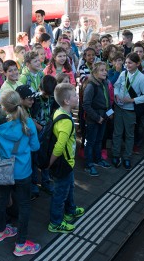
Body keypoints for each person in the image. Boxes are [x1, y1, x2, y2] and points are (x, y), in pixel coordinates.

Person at [0, 90, 41, 256]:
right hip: (23, 170)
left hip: (5, 166)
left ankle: (0, 231)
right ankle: (20, 244)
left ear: (4, 108)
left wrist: (5, 153)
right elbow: (35, 147)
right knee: (24, 205)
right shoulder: (28, 122)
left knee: (2, 198)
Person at [48, 83, 85, 233]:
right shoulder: (66, 122)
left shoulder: (60, 112)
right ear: (67, 101)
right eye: (75, 95)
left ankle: (70, 210)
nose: (77, 97)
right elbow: (59, 146)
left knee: (69, 187)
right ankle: (55, 223)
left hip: (68, 163)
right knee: (60, 194)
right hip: (63, 164)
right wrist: (49, 163)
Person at [112, 53, 144, 170]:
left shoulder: (141, 78)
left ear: (137, 64)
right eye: (126, 62)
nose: (127, 65)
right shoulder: (123, 74)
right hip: (119, 108)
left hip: (130, 111)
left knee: (129, 134)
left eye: (130, 63)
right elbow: (116, 86)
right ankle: (115, 154)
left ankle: (127, 157)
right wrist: (116, 95)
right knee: (117, 133)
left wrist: (132, 100)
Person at [82, 62, 111, 176]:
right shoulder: (91, 85)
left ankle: (98, 159)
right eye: (102, 70)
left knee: (99, 140)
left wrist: (109, 112)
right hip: (94, 118)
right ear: (95, 72)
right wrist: (96, 117)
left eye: (105, 70)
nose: (105, 72)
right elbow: (86, 105)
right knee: (90, 141)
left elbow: (107, 100)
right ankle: (89, 164)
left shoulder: (104, 83)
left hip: (103, 117)